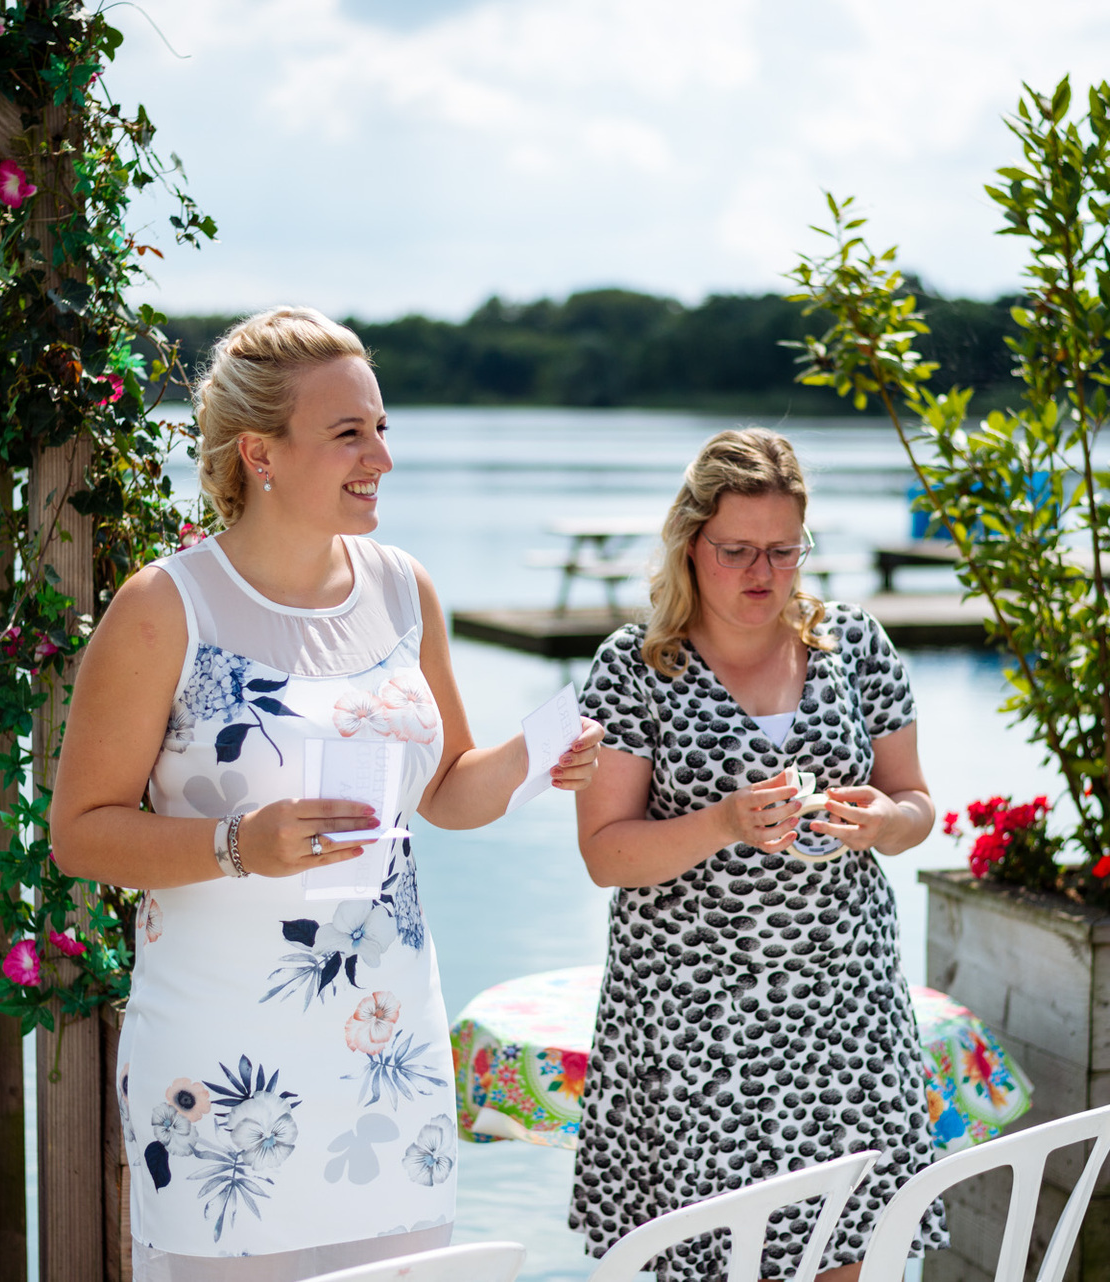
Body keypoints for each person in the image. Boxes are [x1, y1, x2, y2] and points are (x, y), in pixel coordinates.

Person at [49, 307, 603, 1281]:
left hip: (389, 1058)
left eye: (382, 426)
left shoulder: (401, 590)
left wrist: (534, 759)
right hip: (223, 1066)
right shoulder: (163, 608)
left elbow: (444, 788)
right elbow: (79, 834)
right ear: (260, 452)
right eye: (350, 431)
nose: (381, 455)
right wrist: (235, 845)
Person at [567, 428, 945, 1282]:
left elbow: (918, 802)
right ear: (690, 543)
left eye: (783, 551)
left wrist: (886, 821)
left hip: (846, 1016)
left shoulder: (853, 647)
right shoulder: (634, 670)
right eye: (736, 550)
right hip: (696, 1028)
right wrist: (725, 823)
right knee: (715, 1261)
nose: (762, 574)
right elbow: (606, 853)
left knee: (853, 1255)